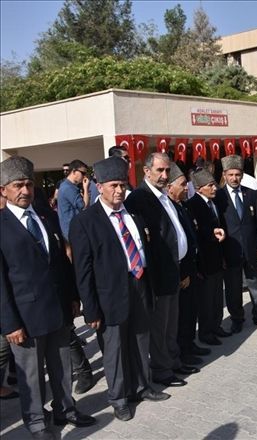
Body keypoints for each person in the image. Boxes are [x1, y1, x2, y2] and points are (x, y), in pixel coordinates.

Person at [0, 156, 96, 439]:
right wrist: (9, 324)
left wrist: (73, 297)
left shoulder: (45, 215)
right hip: (25, 319)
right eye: (18, 185)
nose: (25, 190)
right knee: (31, 377)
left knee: (61, 366)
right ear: (3, 190)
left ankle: (65, 408)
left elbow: (61, 260)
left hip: (58, 309)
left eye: (29, 184)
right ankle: (37, 423)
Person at [69, 157, 170, 422]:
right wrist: (91, 309)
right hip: (109, 296)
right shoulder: (85, 222)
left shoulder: (133, 214)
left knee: (140, 341)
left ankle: (142, 386)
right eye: (114, 185)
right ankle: (119, 398)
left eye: (123, 185)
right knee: (114, 351)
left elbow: (142, 250)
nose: (119, 191)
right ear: (99, 186)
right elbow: (84, 270)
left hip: (138, 286)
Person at [125, 152, 195, 388]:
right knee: (160, 327)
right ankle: (162, 371)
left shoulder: (164, 197)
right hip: (158, 276)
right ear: (146, 171)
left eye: (167, 171)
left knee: (171, 324)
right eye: (160, 171)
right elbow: (142, 242)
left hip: (173, 271)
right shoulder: (139, 199)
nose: (165, 176)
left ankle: (173, 362)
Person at [215, 155, 257, 330]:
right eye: (231, 174)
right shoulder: (218, 197)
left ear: (242, 175)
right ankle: (237, 319)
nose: (234, 178)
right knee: (233, 289)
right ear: (225, 175)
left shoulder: (251, 194)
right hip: (230, 250)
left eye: (238, 174)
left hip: (251, 249)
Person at [166, 164, 209, 364]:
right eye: (182, 184)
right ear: (169, 188)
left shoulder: (182, 206)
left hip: (192, 267)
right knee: (182, 316)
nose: (186, 188)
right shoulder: (169, 208)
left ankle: (190, 344)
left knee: (191, 311)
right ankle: (183, 351)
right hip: (181, 272)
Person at [186, 168, 230, 344]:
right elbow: (196, 232)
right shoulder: (193, 205)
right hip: (204, 260)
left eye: (214, 185)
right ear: (198, 188)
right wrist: (212, 234)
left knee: (217, 296)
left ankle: (216, 325)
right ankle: (205, 332)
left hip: (217, 257)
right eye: (210, 186)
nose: (214, 189)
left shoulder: (214, 202)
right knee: (206, 300)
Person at [57, 159, 91, 240]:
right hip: (74, 231)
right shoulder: (68, 188)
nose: (84, 176)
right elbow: (84, 207)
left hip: (72, 229)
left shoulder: (66, 186)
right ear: (74, 171)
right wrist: (86, 188)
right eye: (82, 173)